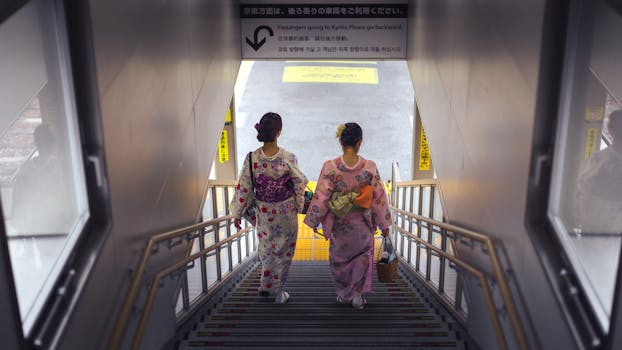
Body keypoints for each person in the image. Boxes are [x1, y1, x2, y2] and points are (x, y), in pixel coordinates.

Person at [304, 122, 392, 309]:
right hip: (362, 225)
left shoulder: (330, 167)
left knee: (340, 259)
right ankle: (357, 295)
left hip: (340, 224)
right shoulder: (369, 168)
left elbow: (321, 196)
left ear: (341, 142)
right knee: (362, 257)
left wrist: (312, 220)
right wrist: (384, 225)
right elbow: (378, 198)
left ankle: (344, 293)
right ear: (359, 142)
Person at [230, 112, 308, 304]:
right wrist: (299, 205)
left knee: (267, 249)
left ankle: (266, 285)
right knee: (284, 251)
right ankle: (278, 291)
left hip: (264, 213)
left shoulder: (252, 158)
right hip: (286, 212)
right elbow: (299, 183)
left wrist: (238, 213)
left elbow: (245, 186)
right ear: (278, 133)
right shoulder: (288, 157)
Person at [576, 110, 622, 234]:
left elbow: (583, 189)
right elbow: (583, 190)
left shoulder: (599, 158)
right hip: (601, 228)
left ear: (610, 130)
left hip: (606, 227)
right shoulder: (598, 159)